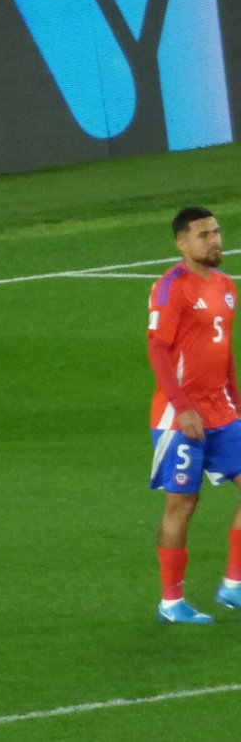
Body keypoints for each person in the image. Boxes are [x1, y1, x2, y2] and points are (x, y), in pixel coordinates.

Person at [145, 207, 241, 624]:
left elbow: (223, 353)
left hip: (221, 410)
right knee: (182, 505)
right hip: (178, 416)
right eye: (203, 235)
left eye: (217, 232)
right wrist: (183, 408)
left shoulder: (225, 286)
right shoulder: (171, 289)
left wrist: (237, 401)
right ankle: (171, 603)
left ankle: (234, 586)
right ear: (181, 243)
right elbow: (158, 350)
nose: (214, 240)